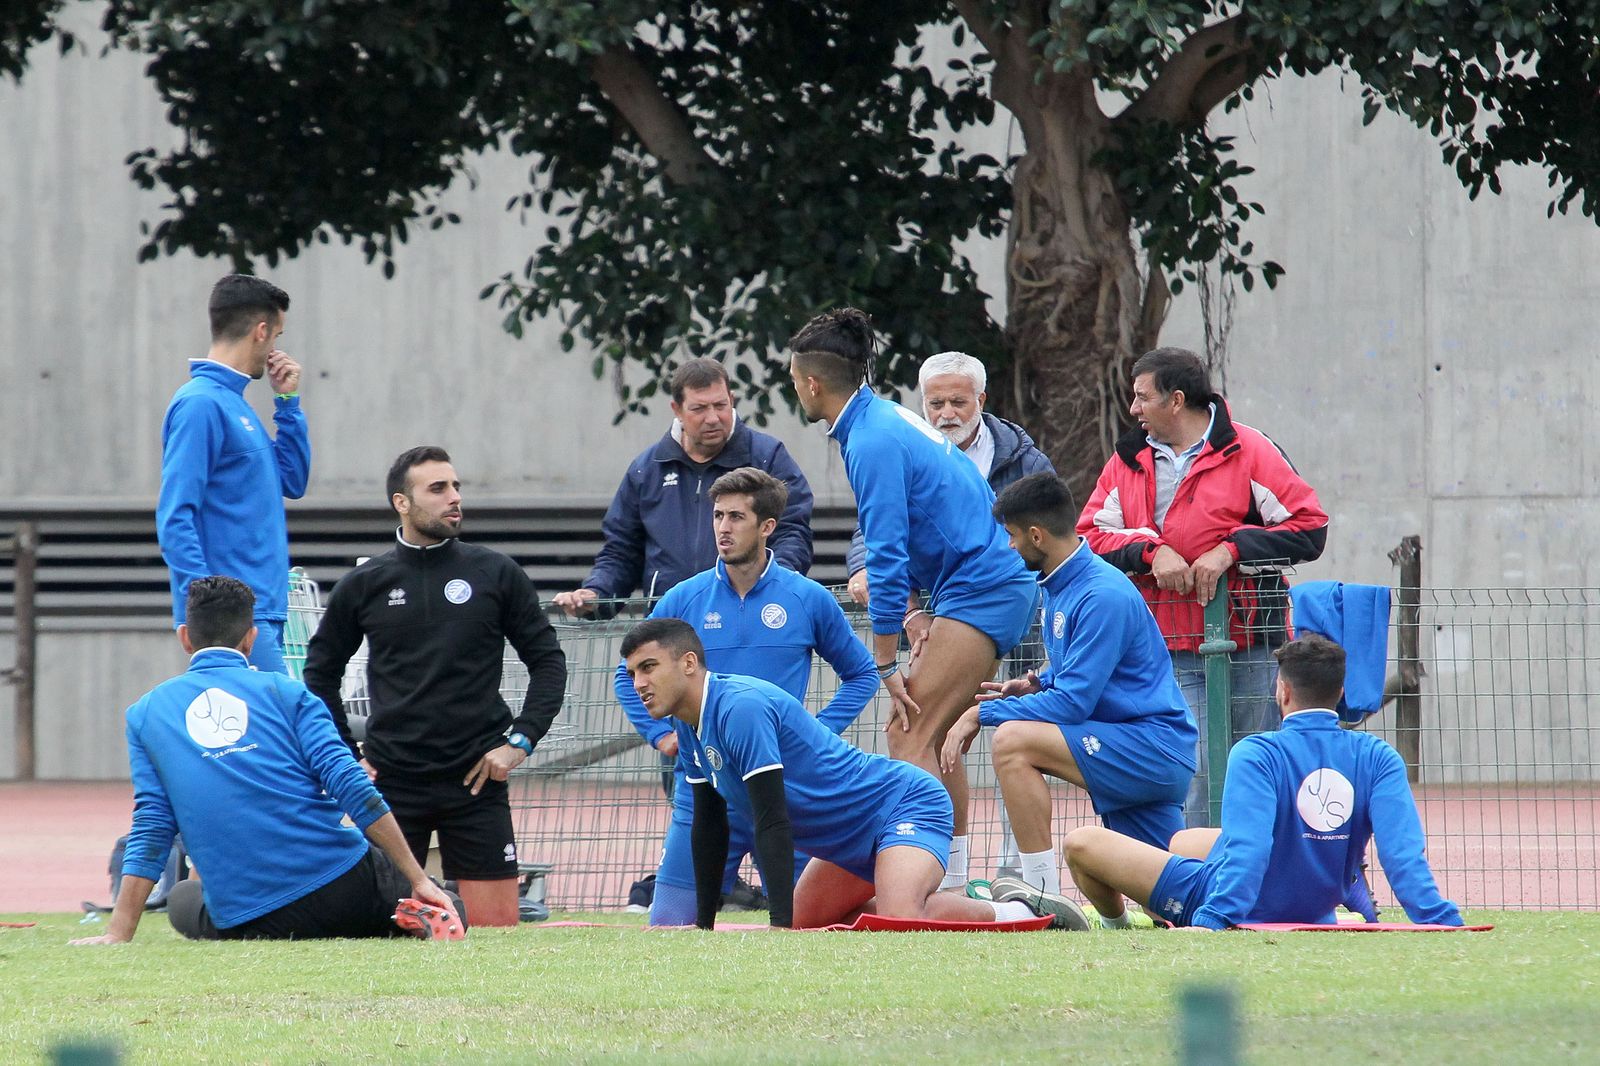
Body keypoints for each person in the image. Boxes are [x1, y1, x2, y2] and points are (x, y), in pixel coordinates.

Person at [787, 309, 1037, 893]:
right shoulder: (881, 417)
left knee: (908, 733)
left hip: (985, 588)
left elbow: (887, 554)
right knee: (933, 735)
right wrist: (920, 614)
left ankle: (929, 885)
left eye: (793, 379)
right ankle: (954, 882)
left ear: (812, 383)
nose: (795, 388)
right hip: (982, 586)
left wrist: (884, 659)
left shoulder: (870, 439)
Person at [620, 618, 1087, 930]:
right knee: (809, 923)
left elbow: (772, 820)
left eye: (648, 668)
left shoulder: (739, 707)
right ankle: (908, 894)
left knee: (900, 917)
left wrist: (777, 931)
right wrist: (703, 927)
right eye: (633, 672)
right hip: (848, 840)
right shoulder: (690, 725)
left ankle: (1019, 910)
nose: (639, 683)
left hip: (905, 804)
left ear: (688, 663)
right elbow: (709, 826)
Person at [70, 577, 463, 944]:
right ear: (251, 637)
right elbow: (350, 784)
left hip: (250, 918)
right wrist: (417, 879)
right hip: (344, 889)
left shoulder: (145, 714)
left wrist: (118, 933)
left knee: (183, 899)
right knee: (449, 901)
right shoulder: (288, 693)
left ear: (185, 637)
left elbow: (153, 824)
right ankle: (399, 914)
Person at [303, 446, 567, 927]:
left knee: (496, 934)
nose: (454, 497)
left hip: (477, 780)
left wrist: (520, 741)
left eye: (456, 486)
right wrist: (347, 754)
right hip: (392, 782)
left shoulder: (496, 573)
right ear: (402, 503)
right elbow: (319, 674)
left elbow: (548, 661)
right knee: (386, 929)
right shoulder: (364, 583)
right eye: (438, 488)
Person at [613, 467, 877, 926]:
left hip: (784, 789)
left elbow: (862, 673)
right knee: (670, 927)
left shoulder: (807, 598)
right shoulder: (683, 599)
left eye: (736, 517)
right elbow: (626, 675)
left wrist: (816, 732)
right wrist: (660, 735)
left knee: (812, 926)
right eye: (718, 515)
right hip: (704, 788)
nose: (723, 527)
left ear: (767, 526)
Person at [1077, 346, 1328, 826]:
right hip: (1166, 644)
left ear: (1175, 400)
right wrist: (1151, 552)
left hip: (1253, 641)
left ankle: (1257, 865)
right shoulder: (1127, 459)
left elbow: (1309, 528)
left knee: (1257, 762)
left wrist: (1230, 550)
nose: (1133, 409)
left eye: (1142, 397)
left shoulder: (1251, 449)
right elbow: (1088, 537)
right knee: (1194, 767)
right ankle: (1197, 870)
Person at [1061, 634, 1463, 930]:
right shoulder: (1379, 756)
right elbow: (1402, 854)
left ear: (1282, 691)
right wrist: (1439, 918)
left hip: (1236, 901)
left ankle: (1118, 926)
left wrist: (1214, 919)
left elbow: (1249, 851)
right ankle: (1345, 882)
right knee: (1183, 841)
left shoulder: (1258, 752)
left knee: (1081, 842)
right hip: (1316, 903)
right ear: (1340, 692)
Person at [942, 473, 1196, 915]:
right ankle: (1118, 924)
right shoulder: (1061, 584)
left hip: (1151, 747)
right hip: (1132, 746)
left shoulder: (1101, 594)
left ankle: (1041, 897)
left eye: (1012, 535)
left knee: (1012, 740)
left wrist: (981, 714)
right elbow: (1082, 669)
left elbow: (1073, 704)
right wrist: (1038, 681)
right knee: (1176, 903)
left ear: (1036, 535)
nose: (1009, 546)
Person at [554, 358, 814, 614]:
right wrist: (596, 594)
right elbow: (622, 550)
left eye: (720, 405)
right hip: (669, 623)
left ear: (732, 400)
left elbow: (792, 532)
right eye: (699, 408)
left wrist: (775, 585)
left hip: (748, 614)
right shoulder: (646, 469)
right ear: (676, 409)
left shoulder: (768, 458)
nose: (713, 418)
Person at [157, 274, 310, 674]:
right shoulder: (200, 405)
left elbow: (292, 481)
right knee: (286, 714)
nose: (275, 348)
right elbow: (175, 516)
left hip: (263, 613)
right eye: (276, 335)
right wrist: (210, 611)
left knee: (282, 714)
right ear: (261, 331)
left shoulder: (233, 404)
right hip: (233, 621)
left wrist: (288, 402)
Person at [845, 349, 1057, 605]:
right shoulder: (902, 452)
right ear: (923, 403)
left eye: (958, 403)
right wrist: (861, 566)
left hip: (1011, 599)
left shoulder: (1026, 462)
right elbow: (875, 518)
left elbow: (1053, 537)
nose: (946, 414)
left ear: (980, 400)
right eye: (936, 404)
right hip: (924, 603)